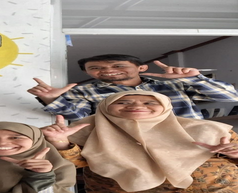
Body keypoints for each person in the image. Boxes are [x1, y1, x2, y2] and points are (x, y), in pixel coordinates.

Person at [43, 90, 238, 193]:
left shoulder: (212, 130)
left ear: (166, 107)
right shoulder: (86, 131)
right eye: (122, 102)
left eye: (149, 102)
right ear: (105, 107)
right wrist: (60, 143)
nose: (136, 106)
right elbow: (74, 163)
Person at [27, 54, 238, 120]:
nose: (108, 71)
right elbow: (79, 117)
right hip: (128, 146)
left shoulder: (174, 84)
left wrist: (196, 79)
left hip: (190, 142)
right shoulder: (82, 91)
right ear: (87, 73)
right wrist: (51, 99)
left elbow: (230, 97)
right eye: (96, 68)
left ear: (141, 68)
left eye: (118, 66)